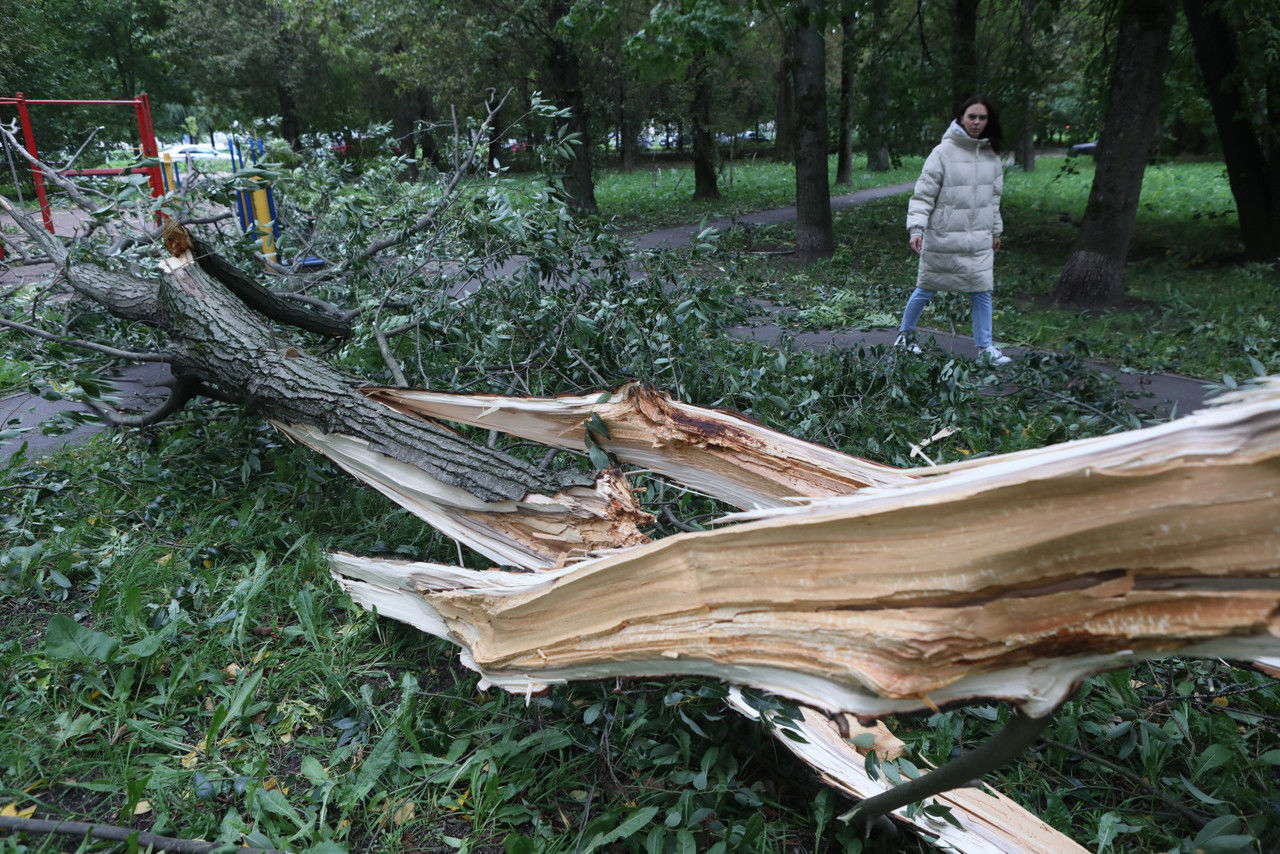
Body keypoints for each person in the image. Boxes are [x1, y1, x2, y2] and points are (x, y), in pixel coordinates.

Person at [895, 95, 1010, 365]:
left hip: (979, 238)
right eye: (972, 116)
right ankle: (904, 338)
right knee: (925, 288)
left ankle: (985, 349)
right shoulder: (942, 152)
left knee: (982, 292)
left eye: (982, 118)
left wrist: (995, 231)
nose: (977, 122)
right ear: (961, 117)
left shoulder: (992, 156)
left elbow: (993, 199)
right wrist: (916, 229)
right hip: (944, 235)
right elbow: (923, 195)